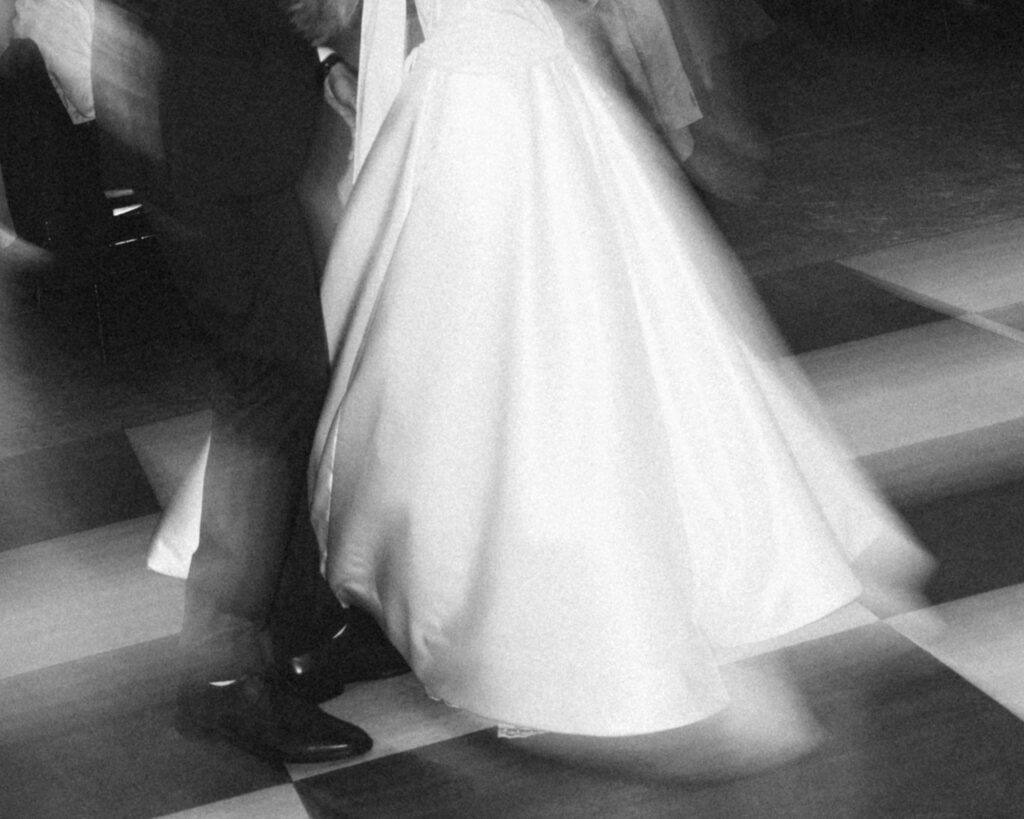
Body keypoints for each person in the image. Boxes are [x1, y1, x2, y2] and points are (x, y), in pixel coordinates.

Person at [308, 0, 933, 780]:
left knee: (514, 345)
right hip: (509, 93)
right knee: (549, 337)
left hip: (495, 95)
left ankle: (537, 596)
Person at [121, 0, 408, 764]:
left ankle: (299, 630)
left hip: (231, 133)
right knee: (269, 396)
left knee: (287, 389)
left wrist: (320, 57)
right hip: (213, 143)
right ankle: (220, 676)